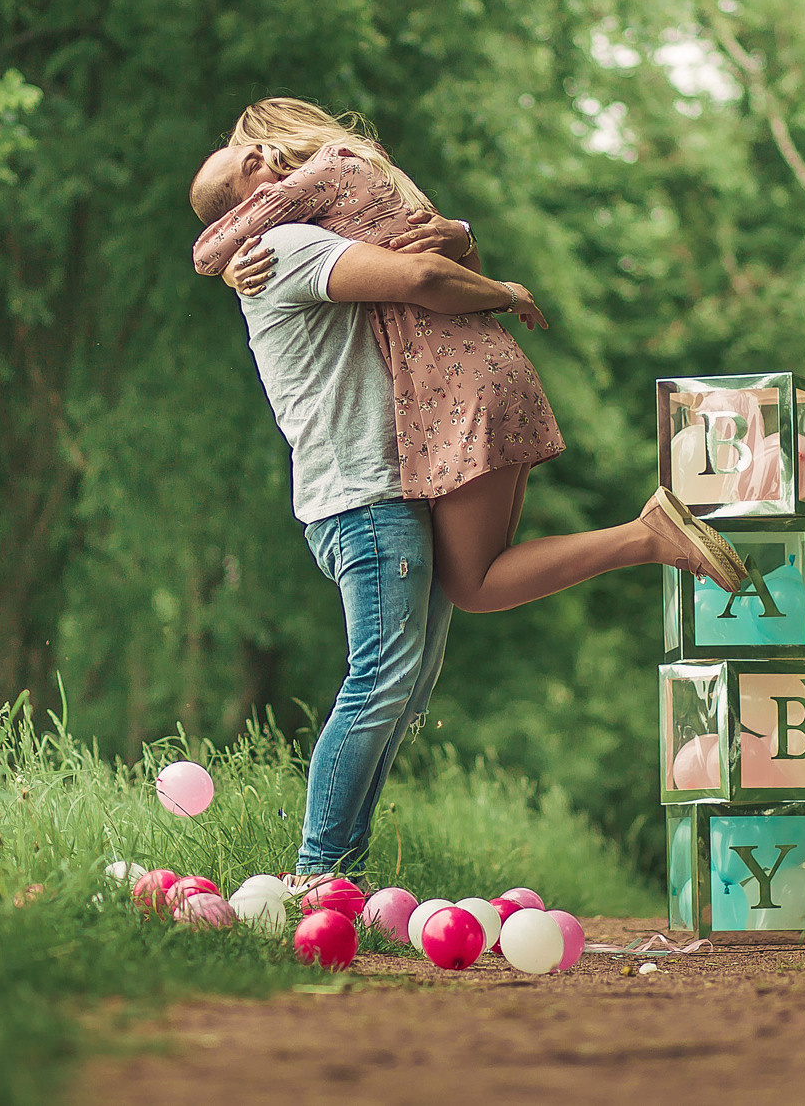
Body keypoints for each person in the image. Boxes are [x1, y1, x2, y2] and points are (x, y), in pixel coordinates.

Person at [189, 101, 746, 885]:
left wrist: (460, 233)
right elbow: (416, 275)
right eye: (240, 171)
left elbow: (414, 242)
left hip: (397, 481)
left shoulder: (309, 229)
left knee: (404, 689)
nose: (259, 163)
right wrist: (501, 285)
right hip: (362, 494)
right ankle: (318, 871)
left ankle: (338, 872)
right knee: (380, 680)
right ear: (238, 213)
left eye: (255, 155)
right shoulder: (281, 245)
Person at [192, 98, 745, 615]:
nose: (266, 168)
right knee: (473, 574)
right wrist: (464, 236)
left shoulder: (320, 186)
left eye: (260, 153)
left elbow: (427, 275)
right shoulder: (365, 182)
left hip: (456, 384)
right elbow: (450, 260)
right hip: (473, 370)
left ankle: (648, 537)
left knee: (472, 584)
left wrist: (224, 265)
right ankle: (647, 538)